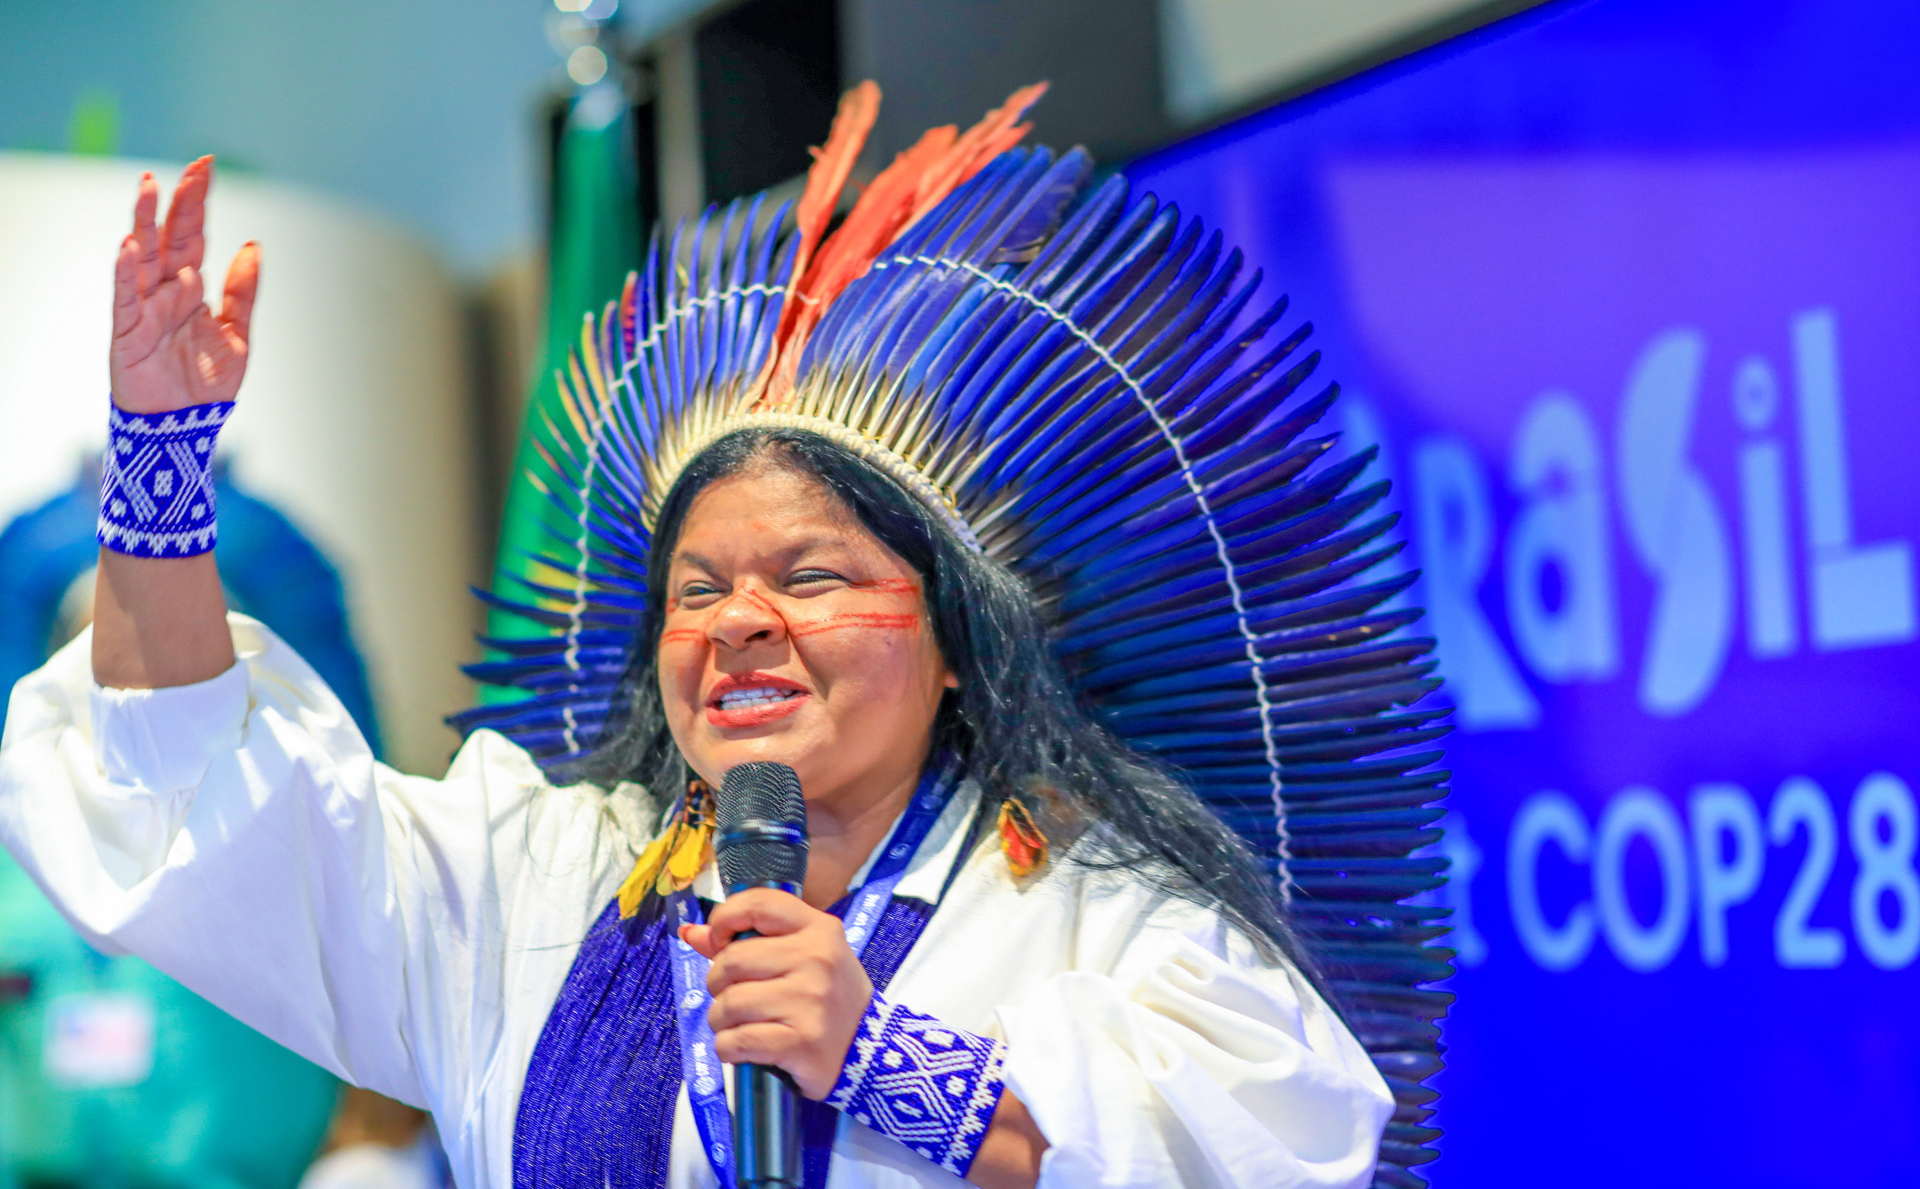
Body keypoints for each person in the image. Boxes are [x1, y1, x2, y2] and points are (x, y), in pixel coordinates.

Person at [0, 83, 1448, 1188]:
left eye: (811, 577)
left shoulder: (1096, 908)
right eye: (696, 591)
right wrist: (161, 471)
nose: (742, 623)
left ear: (957, 642)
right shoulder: (534, 885)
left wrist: (885, 1059)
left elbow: (1269, 1139)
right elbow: (198, 790)